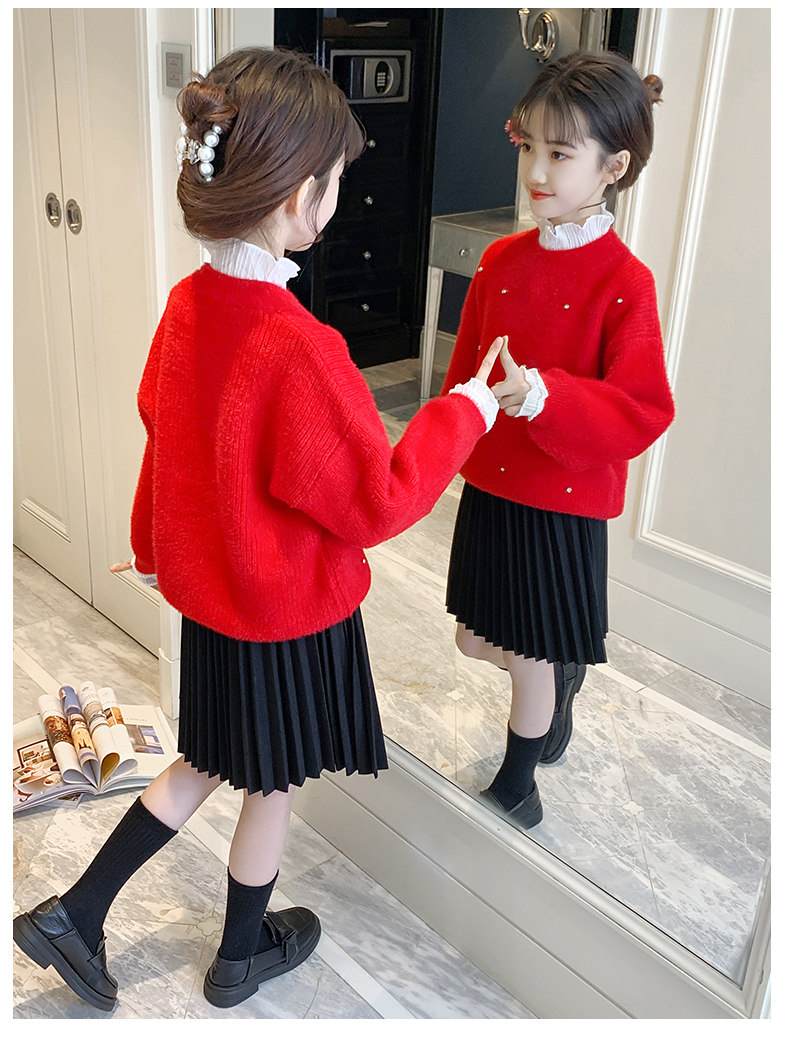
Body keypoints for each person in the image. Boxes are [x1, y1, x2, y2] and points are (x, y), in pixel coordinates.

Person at [13, 47, 505, 1012]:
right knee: (268, 785)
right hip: (284, 615)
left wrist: (153, 551)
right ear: (296, 197)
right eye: (334, 182)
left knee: (209, 759)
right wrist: (469, 409)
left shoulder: (186, 307)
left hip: (215, 605)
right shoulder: (300, 347)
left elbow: (165, 442)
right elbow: (379, 499)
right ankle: (239, 955)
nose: (335, 201)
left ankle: (77, 912)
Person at [442, 50, 675, 831]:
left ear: (614, 167)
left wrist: (544, 395)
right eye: (529, 147)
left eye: (561, 153)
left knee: (529, 657)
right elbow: (463, 379)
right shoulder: (500, 261)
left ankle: (519, 785)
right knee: (477, 642)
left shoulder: (626, 282)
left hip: (562, 502)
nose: (537, 171)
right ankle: (559, 673)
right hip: (494, 487)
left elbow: (643, 408)